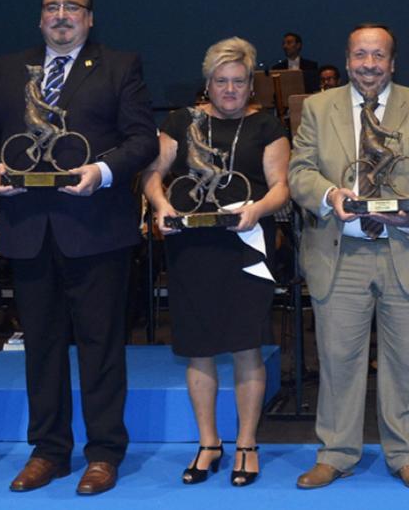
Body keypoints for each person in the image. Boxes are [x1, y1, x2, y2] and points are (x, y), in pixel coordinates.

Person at [0, 0, 158, 496]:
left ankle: (103, 454)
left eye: (73, 7)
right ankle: (48, 450)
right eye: (52, 6)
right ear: (40, 17)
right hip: (28, 231)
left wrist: (103, 172)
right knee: (41, 348)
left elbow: (142, 139)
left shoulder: (121, 66)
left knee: (100, 347)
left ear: (89, 18)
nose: (61, 15)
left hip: (96, 229)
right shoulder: (7, 69)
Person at [288, 24, 409, 490]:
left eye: (378, 56)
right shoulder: (318, 109)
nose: (369, 64)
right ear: (347, 59)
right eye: (360, 55)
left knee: (405, 361)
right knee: (338, 359)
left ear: (393, 62)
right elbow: (299, 172)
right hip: (341, 253)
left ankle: (405, 453)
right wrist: (328, 195)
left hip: (408, 249)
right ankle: (336, 453)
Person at [143, 37, 289, 487]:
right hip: (191, 250)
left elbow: (281, 186)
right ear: (208, 84)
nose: (230, 90)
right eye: (222, 81)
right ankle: (208, 443)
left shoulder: (267, 126)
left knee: (247, 347)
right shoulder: (179, 122)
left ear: (251, 86)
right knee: (198, 349)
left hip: (244, 249)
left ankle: (246, 443)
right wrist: (160, 205)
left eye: (239, 82)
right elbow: (152, 175)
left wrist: (258, 210)